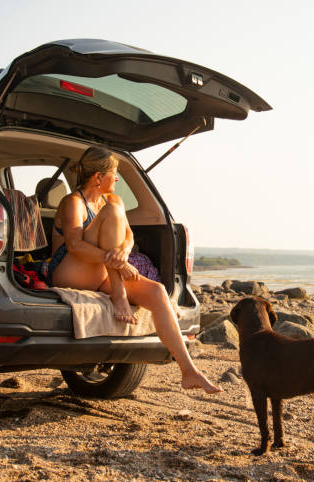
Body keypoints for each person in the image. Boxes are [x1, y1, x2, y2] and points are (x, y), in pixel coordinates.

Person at [48, 146, 221, 394]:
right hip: (70, 271)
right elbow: (74, 246)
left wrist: (124, 253)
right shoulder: (72, 202)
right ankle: (119, 297)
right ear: (98, 177)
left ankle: (188, 370)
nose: (117, 179)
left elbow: (128, 237)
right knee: (112, 212)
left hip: (103, 272)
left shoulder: (114, 202)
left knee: (158, 292)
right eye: (114, 173)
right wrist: (121, 263)